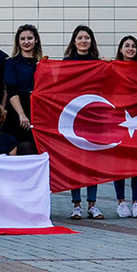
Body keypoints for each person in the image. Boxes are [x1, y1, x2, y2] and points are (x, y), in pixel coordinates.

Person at [60, 25, 103, 218]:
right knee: (75, 164)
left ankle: (92, 205)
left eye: (87, 38)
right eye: (80, 38)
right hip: (73, 119)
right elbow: (59, 87)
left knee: (92, 163)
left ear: (91, 41)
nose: (83, 41)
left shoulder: (99, 63)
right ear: (74, 41)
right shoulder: (67, 63)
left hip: (93, 119)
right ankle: (76, 205)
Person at [110, 35, 137, 217]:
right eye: (127, 45)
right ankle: (121, 203)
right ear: (121, 49)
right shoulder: (112, 69)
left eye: (134, 46)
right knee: (119, 165)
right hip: (119, 121)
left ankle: (136, 203)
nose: (130, 49)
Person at [4, 23, 45, 156]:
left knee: (38, 151)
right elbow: (12, 91)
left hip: (38, 112)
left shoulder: (43, 64)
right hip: (18, 111)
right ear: (18, 42)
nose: (26, 42)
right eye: (22, 39)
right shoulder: (11, 63)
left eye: (30, 38)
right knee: (23, 149)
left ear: (36, 40)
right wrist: (21, 114)